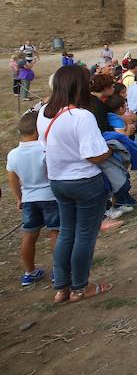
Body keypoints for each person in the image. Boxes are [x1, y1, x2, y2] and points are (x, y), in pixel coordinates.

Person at [37, 65, 114, 303]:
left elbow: (44, 146)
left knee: (66, 233)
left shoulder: (44, 113)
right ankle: (80, 287)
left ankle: (62, 287)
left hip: (58, 180)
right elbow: (93, 155)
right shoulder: (81, 116)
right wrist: (110, 151)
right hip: (84, 180)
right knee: (84, 235)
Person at [7, 110, 59, 286]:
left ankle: (29, 272)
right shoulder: (45, 148)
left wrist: (19, 197)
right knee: (56, 231)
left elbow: (12, 178)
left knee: (29, 234)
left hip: (29, 197)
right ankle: (58, 271)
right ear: (39, 130)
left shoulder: (13, 154)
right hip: (50, 195)